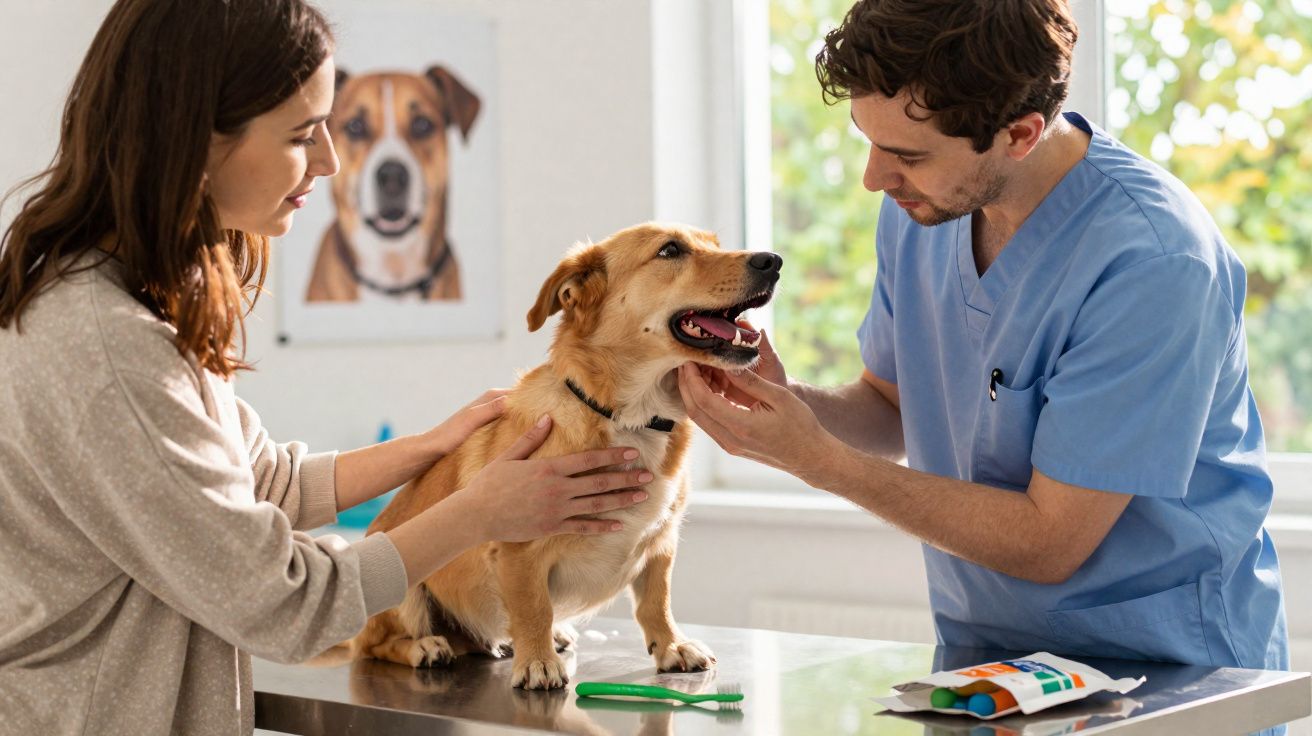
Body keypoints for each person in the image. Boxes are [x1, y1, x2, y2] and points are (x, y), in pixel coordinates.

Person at [0, 2, 648, 734]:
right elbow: (281, 604)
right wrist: (478, 513)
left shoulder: (136, 299)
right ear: (198, 141)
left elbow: (259, 483)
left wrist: (435, 446)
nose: (332, 162)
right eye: (303, 133)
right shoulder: (104, 346)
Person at [678, 0, 1288, 674]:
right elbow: (891, 408)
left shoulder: (1153, 261)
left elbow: (1049, 541)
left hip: (1170, 673)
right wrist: (782, 399)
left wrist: (817, 459)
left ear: (1021, 134)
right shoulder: (923, 211)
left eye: (907, 154)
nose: (874, 178)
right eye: (868, 139)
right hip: (992, 665)